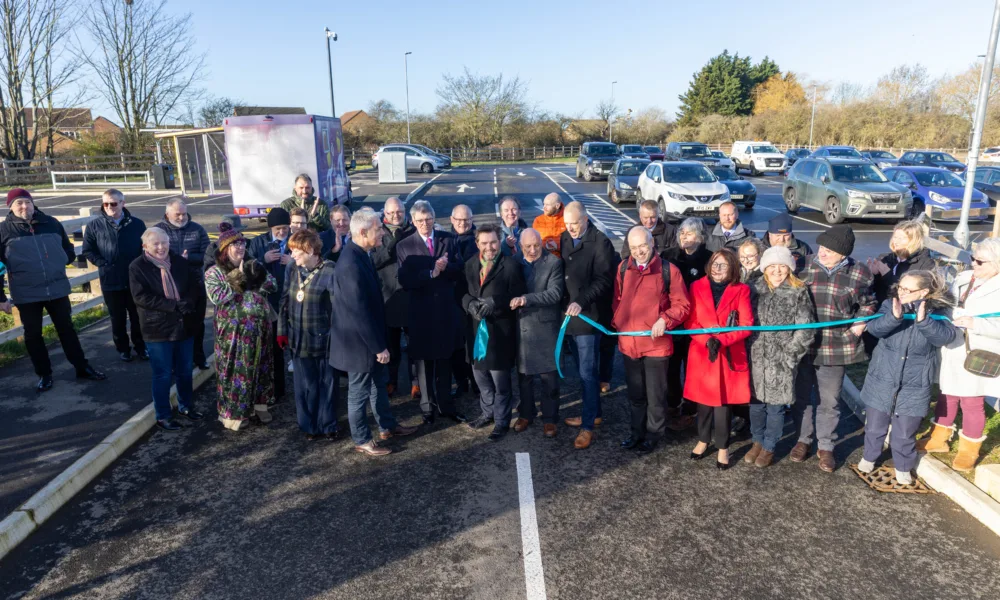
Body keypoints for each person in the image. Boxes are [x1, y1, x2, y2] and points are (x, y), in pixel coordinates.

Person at [330, 208, 416, 456]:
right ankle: (361, 439)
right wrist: (378, 347)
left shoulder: (362, 254)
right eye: (378, 229)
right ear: (363, 231)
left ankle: (387, 426)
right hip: (358, 345)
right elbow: (359, 313)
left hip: (369, 340)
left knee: (379, 384)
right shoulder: (350, 264)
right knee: (358, 393)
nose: (382, 232)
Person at [0, 188, 106, 391]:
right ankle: (44, 374)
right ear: (10, 207)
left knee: (67, 330)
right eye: (19, 203)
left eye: (27, 202)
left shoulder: (51, 223)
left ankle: (82, 367)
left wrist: (59, 263)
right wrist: (0, 297)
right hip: (27, 293)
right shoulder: (4, 231)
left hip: (57, 288)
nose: (24, 206)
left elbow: (67, 249)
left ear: (33, 204)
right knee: (33, 335)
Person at [859, 270, 957, 484]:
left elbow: (945, 337)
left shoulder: (939, 311)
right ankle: (869, 456)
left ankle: (904, 465)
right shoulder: (890, 304)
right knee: (875, 425)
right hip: (883, 377)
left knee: (905, 431)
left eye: (907, 290)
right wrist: (894, 318)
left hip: (915, 382)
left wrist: (923, 322)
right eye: (900, 287)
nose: (901, 292)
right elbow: (874, 329)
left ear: (923, 291)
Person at [792, 224, 876, 473]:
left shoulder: (860, 273)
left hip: (836, 347)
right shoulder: (803, 266)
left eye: (829, 250)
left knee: (830, 400)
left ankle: (826, 446)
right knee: (803, 397)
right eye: (821, 247)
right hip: (805, 344)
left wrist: (860, 323)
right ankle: (802, 440)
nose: (822, 252)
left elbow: (869, 302)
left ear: (843, 254)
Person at [921, 238, 1000, 472]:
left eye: (980, 261)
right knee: (947, 394)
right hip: (953, 347)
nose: (973, 264)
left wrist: (976, 323)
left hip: (978, 352)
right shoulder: (964, 279)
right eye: (972, 259)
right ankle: (938, 439)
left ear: (997, 264)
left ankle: (969, 450)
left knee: (972, 401)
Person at [614, 226, 691, 453]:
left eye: (643, 246)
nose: (639, 251)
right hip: (630, 344)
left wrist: (665, 320)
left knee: (656, 396)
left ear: (652, 244)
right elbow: (617, 300)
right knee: (636, 395)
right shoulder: (622, 268)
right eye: (634, 247)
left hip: (657, 346)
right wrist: (619, 324)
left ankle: (654, 435)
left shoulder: (669, 270)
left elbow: (683, 305)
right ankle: (636, 433)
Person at [397, 200, 467, 424]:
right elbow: (405, 280)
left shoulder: (448, 239)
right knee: (424, 363)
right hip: (421, 313)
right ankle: (427, 408)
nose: (425, 224)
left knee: (445, 360)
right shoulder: (404, 245)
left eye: (428, 219)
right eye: (420, 220)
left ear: (434, 218)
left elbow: (460, 269)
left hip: (445, 311)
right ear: (413, 221)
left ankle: (446, 405)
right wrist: (430, 273)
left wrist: (447, 268)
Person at [745, 246, 815, 468]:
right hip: (755, 357)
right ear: (765, 268)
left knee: (775, 407)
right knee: (756, 404)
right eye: (772, 266)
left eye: (782, 266)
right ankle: (756, 441)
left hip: (781, 360)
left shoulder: (799, 290)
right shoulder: (753, 288)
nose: (777, 271)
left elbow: (806, 328)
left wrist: (790, 354)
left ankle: (769, 446)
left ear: (789, 268)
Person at [684, 249, 754, 469]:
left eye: (723, 265)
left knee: (723, 404)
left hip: (727, 353)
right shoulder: (696, 287)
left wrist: (722, 340)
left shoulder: (741, 290)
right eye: (715, 264)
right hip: (702, 352)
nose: (717, 269)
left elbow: (747, 325)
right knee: (703, 402)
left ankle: (723, 447)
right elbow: (690, 322)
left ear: (732, 267)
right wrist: (707, 339)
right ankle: (704, 439)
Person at [204, 222, 277, 431]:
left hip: (259, 329)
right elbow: (219, 297)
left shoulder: (253, 264)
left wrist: (255, 276)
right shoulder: (214, 273)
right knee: (234, 370)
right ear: (225, 249)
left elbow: (272, 284)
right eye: (236, 244)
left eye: (243, 243)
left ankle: (260, 405)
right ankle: (234, 414)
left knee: (261, 368)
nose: (241, 247)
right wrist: (239, 278)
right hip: (232, 334)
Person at [129, 228, 203, 431]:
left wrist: (188, 301)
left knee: (185, 371)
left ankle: (185, 406)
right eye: (156, 244)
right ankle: (163, 415)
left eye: (164, 242)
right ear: (145, 246)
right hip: (157, 330)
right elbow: (140, 297)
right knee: (162, 374)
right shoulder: (137, 267)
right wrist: (173, 305)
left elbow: (194, 286)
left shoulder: (180, 262)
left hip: (183, 326)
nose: (161, 247)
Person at [560, 201, 617, 449]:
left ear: (585, 219)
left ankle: (587, 427)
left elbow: (603, 280)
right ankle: (594, 413)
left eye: (575, 223)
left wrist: (581, 302)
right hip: (569, 316)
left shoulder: (601, 242)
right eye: (567, 224)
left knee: (587, 373)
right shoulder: (564, 237)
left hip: (588, 317)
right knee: (582, 370)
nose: (570, 228)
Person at [462, 224, 527, 441]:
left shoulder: (510, 265)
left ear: (499, 241)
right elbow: (459, 291)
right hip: (475, 332)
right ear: (477, 244)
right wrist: (469, 303)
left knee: (501, 383)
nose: (489, 247)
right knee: (480, 377)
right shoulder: (470, 264)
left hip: (499, 333)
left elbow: (518, 293)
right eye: (484, 243)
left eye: (493, 242)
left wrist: (495, 302)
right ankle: (488, 412)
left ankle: (501, 421)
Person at [278, 229, 340, 441]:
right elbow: (284, 301)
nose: (292, 254)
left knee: (327, 384)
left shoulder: (330, 270)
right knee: (306, 386)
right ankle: (309, 426)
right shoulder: (291, 268)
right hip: (298, 339)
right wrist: (281, 331)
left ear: (311, 250)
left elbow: (337, 308)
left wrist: (337, 336)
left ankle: (328, 424)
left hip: (324, 339)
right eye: (292, 250)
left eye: (297, 250)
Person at [82, 189, 148, 362]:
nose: (109, 207)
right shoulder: (94, 226)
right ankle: (123, 349)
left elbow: (145, 248)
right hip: (110, 280)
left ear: (123, 203)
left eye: (113, 203)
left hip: (134, 280)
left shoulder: (137, 224)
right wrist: (102, 263)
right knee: (117, 318)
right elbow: (88, 250)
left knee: (138, 317)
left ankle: (141, 347)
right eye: (105, 204)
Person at [511, 228, 565, 437]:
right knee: (524, 376)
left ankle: (550, 418)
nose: (533, 250)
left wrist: (526, 299)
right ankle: (526, 413)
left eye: (536, 245)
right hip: (521, 327)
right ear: (520, 246)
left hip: (545, 328)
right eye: (528, 247)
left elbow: (555, 293)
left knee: (548, 377)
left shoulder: (553, 263)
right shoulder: (513, 261)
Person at [662, 218, 713, 427]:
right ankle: (672, 404)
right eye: (682, 232)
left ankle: (691, 408)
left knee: (693, 368)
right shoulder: (668, 257)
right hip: (674, 323)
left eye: (689, 233)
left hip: (698, 324)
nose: (684, 237)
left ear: (700, 237)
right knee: (672, 367)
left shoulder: (709, 259)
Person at [155, 199, 211, 370]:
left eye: (183, 214)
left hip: (195, 284)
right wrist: (175, 260)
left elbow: (208, 254)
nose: (181, 217)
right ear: (167, 214)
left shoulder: (197, 229)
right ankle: (174, 362)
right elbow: (149, 254)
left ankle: (198, 357)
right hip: (168, 285)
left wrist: (188, 259)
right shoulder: (157, 231)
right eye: (177, 214)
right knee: (173, 325)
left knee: (197, 323)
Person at [247, 207, 294, 404]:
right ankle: (276, 390)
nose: (282, 232)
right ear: (270, 228)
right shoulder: (258, 242)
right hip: (268, 304)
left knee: (295, 344)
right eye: (278, 229)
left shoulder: (295, 241)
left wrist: (293, 261)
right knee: (273, 349)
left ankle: (299, 386)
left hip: (292, 299)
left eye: (285, 228)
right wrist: (262, 260)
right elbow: (247, 268)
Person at [371, 196, 417, 397]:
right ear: (384, 214)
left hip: (411, 298)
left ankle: (416, 382)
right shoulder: (377, 232)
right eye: (391, 212)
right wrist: (393, 245)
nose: (395, 215)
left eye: (399, 211)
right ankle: (391, 381)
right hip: (387, 298)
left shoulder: (413, 230)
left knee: (415, 346)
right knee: (391, 346)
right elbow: (374, 261)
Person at [450, 204, 478, 396]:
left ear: (472, 219)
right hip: (452, 301)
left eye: (466, 219)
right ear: (452, 220)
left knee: (474, 343)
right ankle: (461, 382)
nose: (462, 223)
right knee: (456, 345)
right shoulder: (445, 240)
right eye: (459, 219)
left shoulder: (479, 240)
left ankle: (477, 382)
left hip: (474, 298)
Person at [531, 193, 566, 257]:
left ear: (557, 206)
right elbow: (533, 242)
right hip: (543, 261)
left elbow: (573, 243)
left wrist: (557, 246)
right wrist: (544, 245)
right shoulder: (538, 221)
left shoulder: (567, 220)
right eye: (544, 204)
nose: (544, 207)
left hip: (563, 260)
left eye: (547, 205)